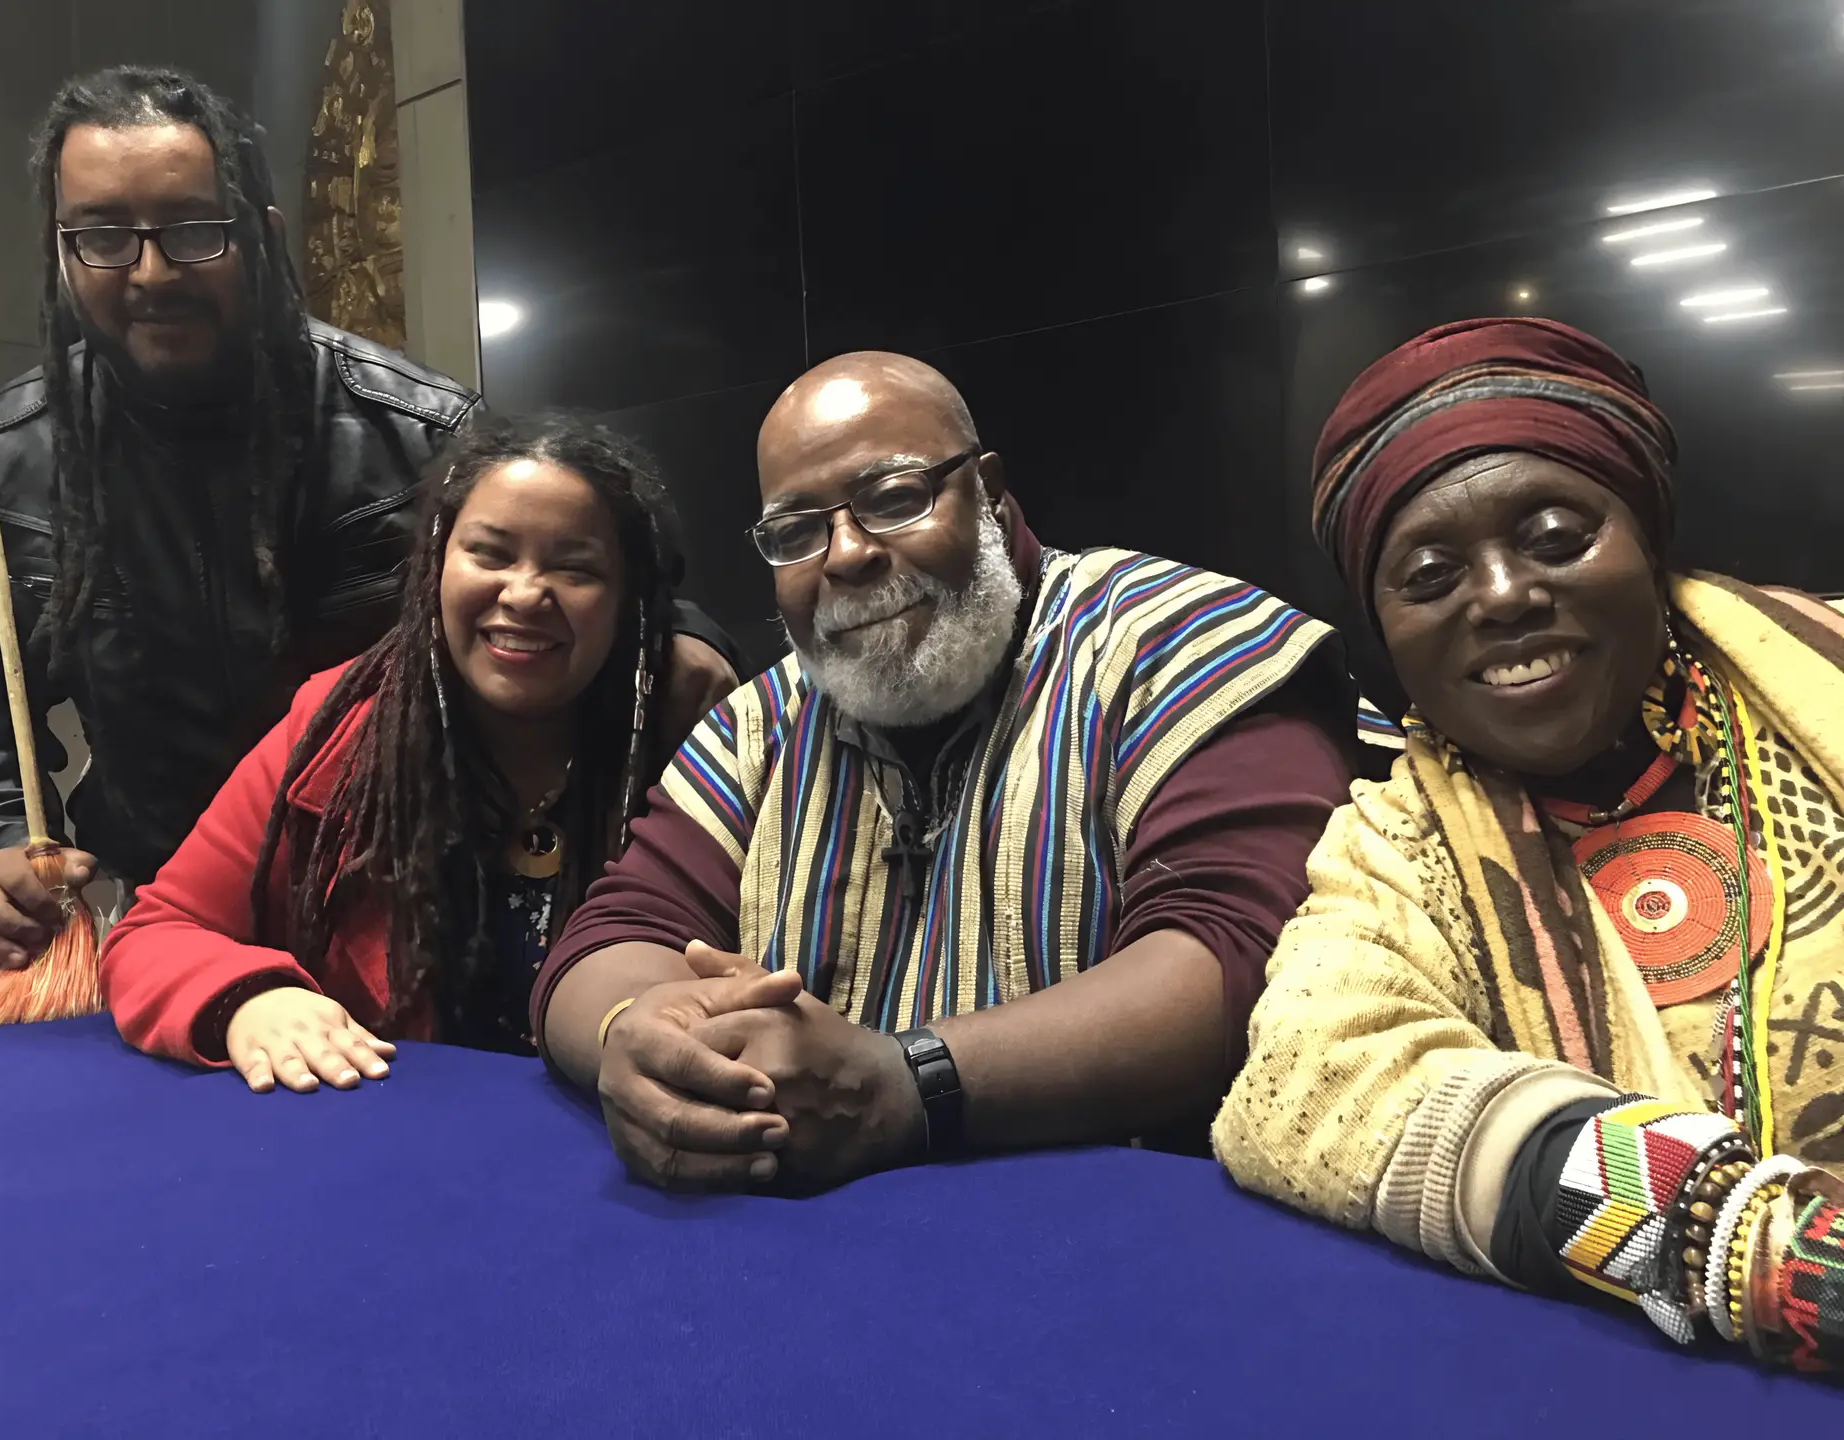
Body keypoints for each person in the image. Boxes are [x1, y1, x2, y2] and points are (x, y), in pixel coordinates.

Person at [0, 66, 736, 973]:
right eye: (103, 237)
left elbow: (599, 596)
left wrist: (689, 640)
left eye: (193, 231)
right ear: (61, 251)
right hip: (158, 918)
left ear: (264, 237)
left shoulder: (425, 433)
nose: (150, 273)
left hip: (404, 911)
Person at [534, 351, 1356, 1192]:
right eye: (796, 532)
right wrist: (637, 1033)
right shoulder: (759, 725)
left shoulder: (1183, 645)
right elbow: (612, 936)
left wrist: (906, 1084)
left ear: (990, 494)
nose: (846, 555)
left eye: (894, 499)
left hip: (1129, 1237)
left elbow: (1247, 957)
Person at [1213, 317, 1844, 1374]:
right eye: (1428, 576)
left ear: (1647, 539)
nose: (1502, 596)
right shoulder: (1392, 849)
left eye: (1555, 538)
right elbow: (1309, 1085)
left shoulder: (1819, 685)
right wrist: (1728, 1238)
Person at [99, 414, 734, 1087]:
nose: (523, 593)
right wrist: (251, 1000)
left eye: (575, 567)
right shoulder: (338, 730)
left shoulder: (692, 740)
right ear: (436, 562)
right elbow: (154, 933)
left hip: (625, 1138)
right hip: (395, 1132)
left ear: (630, 597)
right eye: (490, 553)